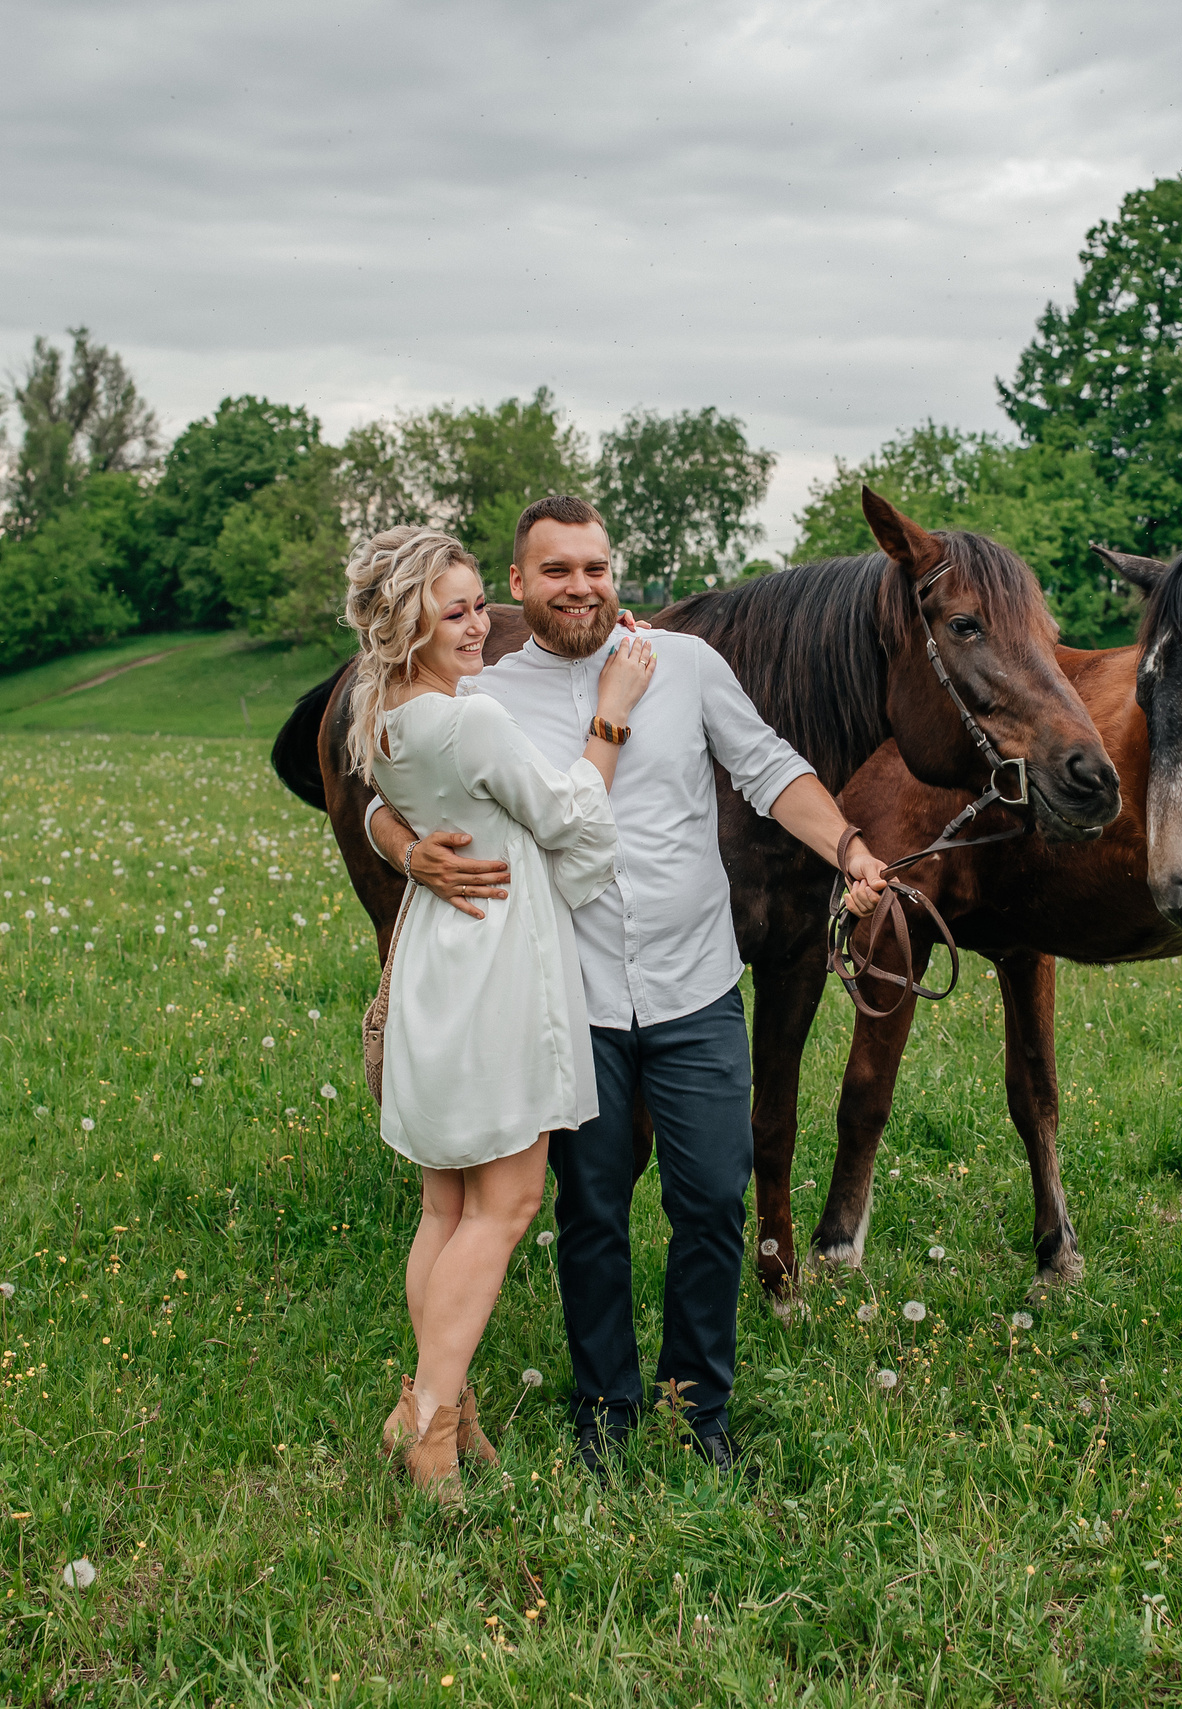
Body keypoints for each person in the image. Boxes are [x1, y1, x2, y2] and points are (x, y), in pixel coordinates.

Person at [368, 494, 888, 1477]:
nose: (581, 585)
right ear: (519, 586)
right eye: (556, 570)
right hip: (569, 996)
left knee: (712, 1199)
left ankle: (698, 1405)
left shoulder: (686, 666)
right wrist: (407, 851)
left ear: (618, 573)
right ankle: (602, 1407)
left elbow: (769, 766)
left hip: (694, 981)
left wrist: (851, 846)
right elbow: (393, 791)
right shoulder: (486, 692)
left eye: (595, 567)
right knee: (592, 1209)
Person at [346, 525, 658, 1499]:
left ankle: (443, 1398)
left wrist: (394, 836)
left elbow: (381, 801)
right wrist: (610, 715)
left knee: (447, 1202)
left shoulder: (385, 711)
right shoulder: (471, 722)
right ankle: (429, 1426)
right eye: (456, 611)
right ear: (409, 623)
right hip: (498, 967)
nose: (481, 624)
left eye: (483, 602)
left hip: (441, 954)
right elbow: (573, 816)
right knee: (509, 1201)